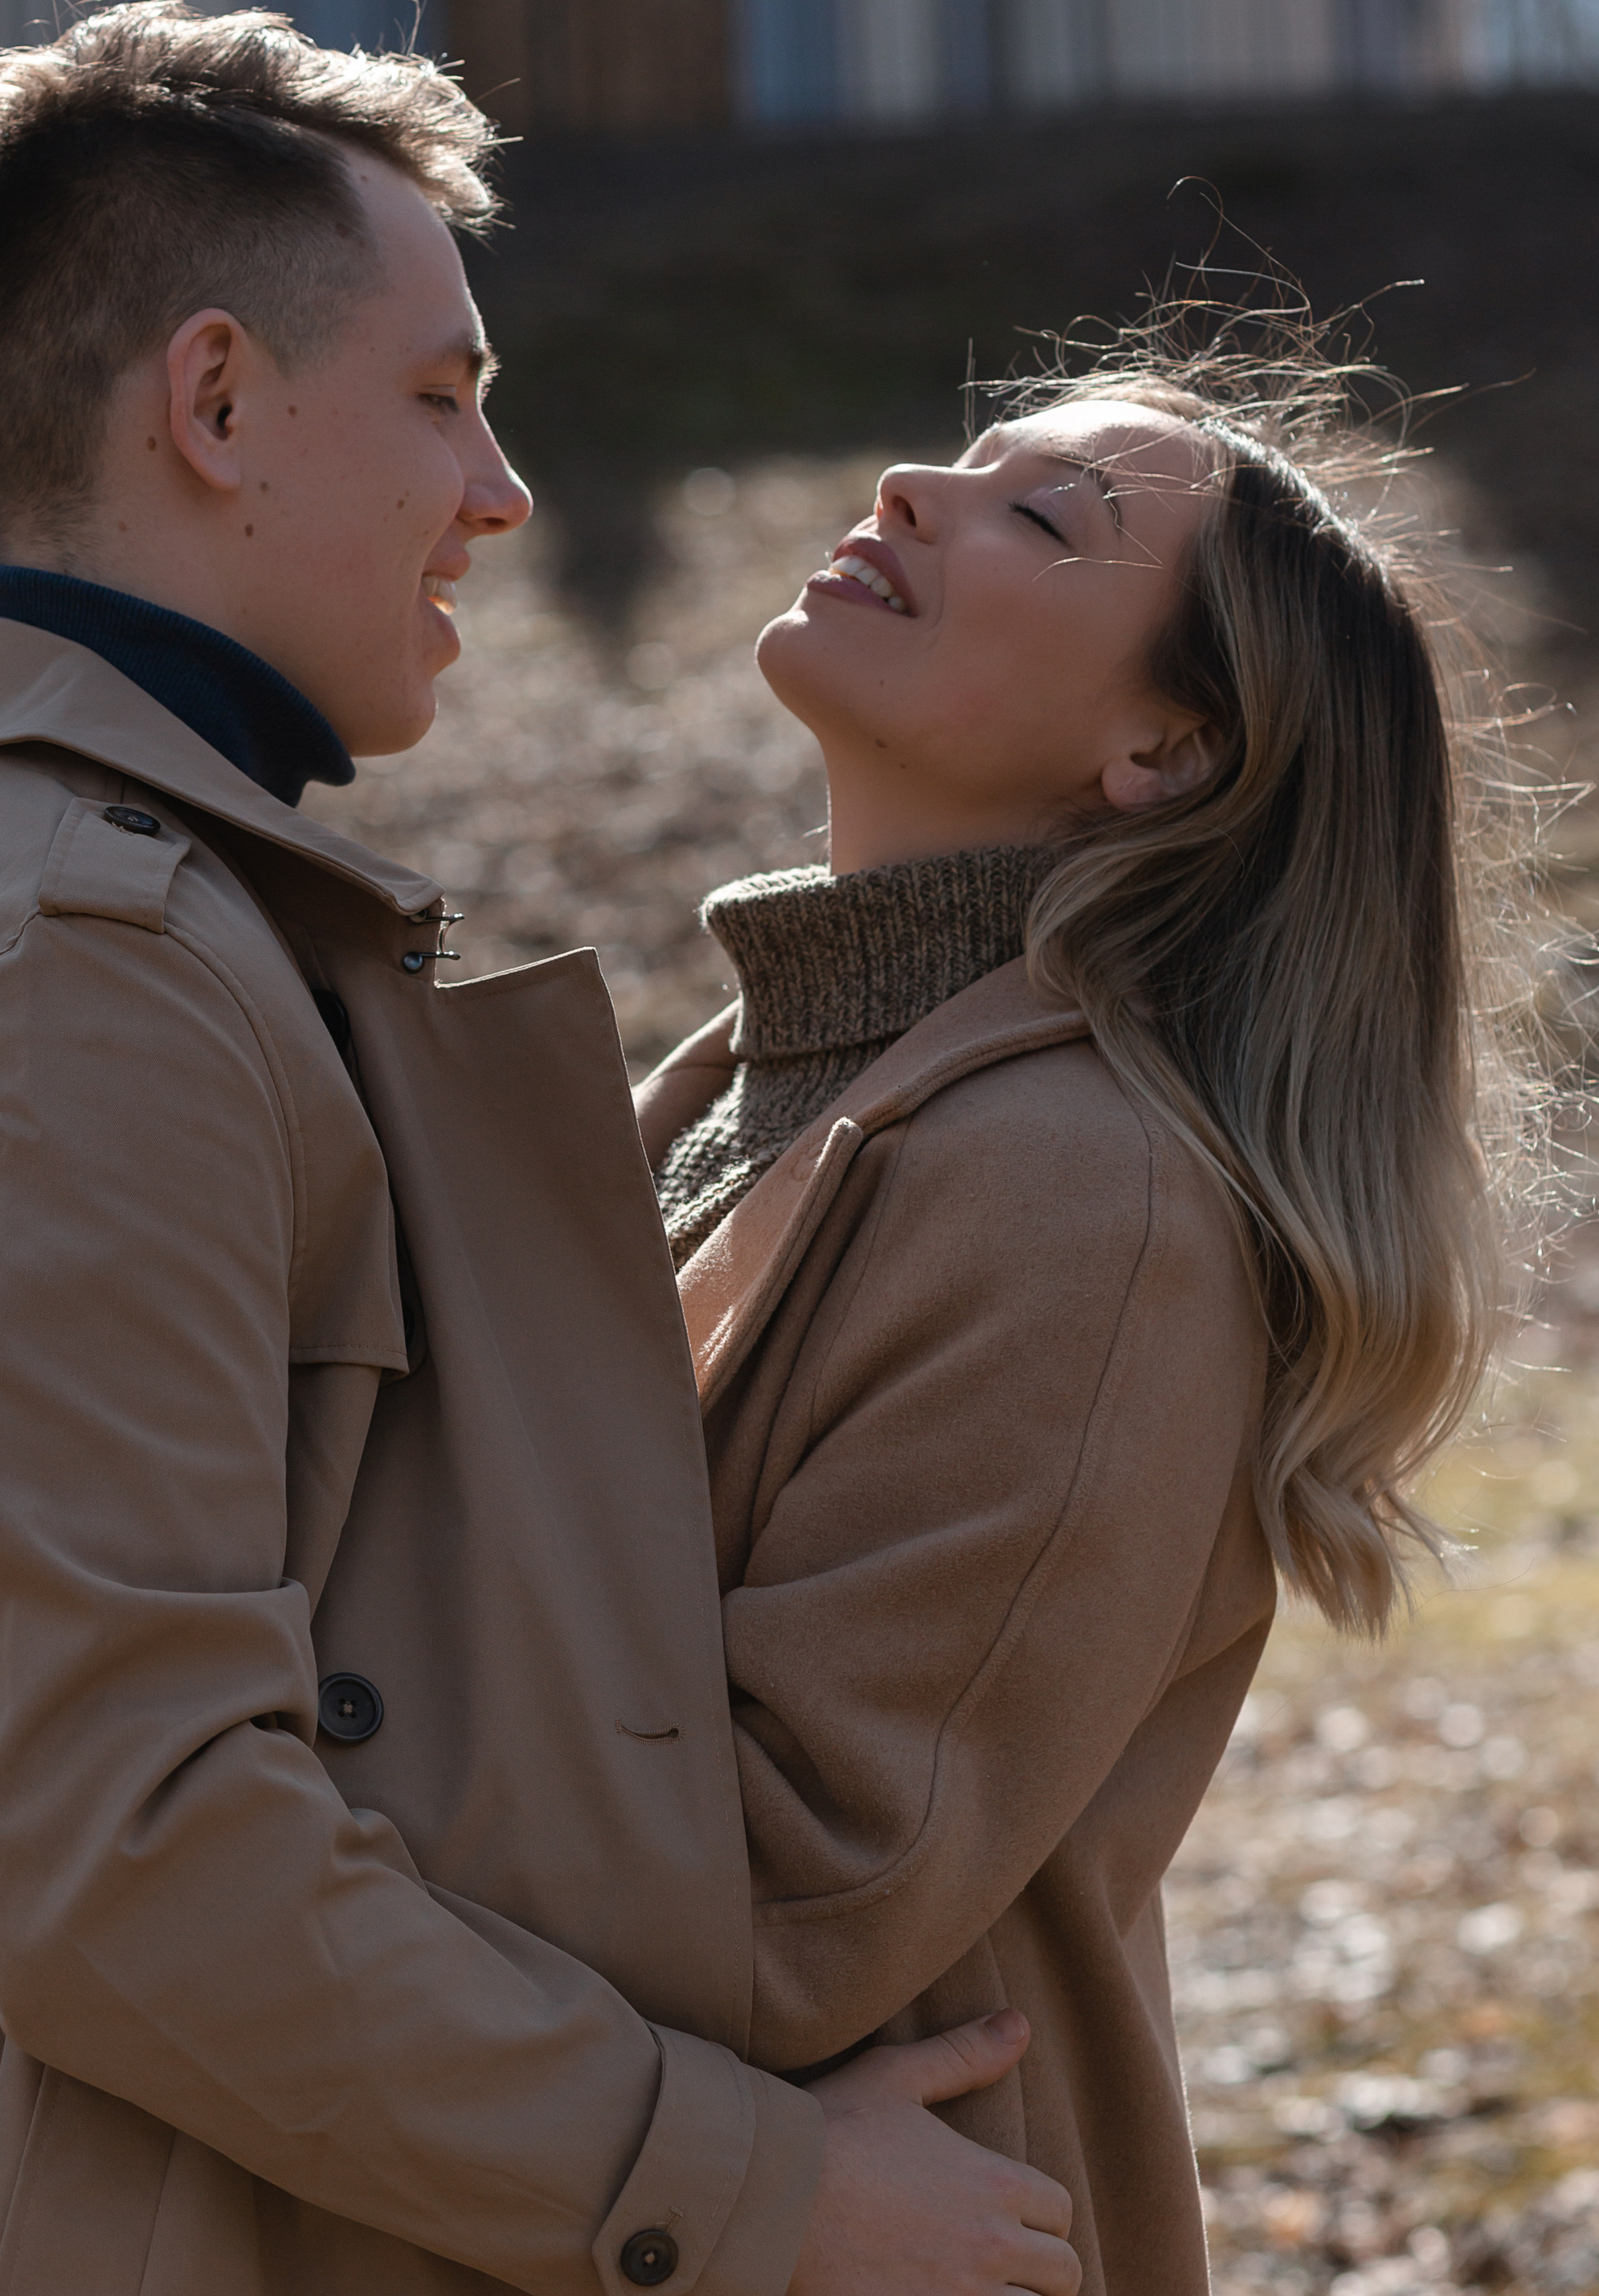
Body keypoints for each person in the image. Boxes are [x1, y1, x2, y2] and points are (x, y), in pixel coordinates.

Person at [0, 2, 1082, 2296]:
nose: (500, 492)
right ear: (212, 407)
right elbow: (133, 1850)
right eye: (441, 395)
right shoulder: (65, 972)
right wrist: (763, 2192)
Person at [635, 329, 1550, 2296]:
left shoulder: (1083, 1199)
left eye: (1036, 514)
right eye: (961, 455)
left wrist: (240, 1784)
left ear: (1162, 753)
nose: (907, 492)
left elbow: (797, 1882)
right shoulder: (766, 1072)